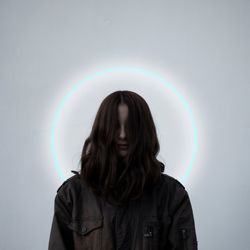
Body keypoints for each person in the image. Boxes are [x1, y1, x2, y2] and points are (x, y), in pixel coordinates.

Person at [48, 90, 198, 250]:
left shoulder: (172, 196)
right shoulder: (71, 196)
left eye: (130, 127)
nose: (123, 134)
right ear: (102, 130)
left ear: (143, 131)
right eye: (115, 126)